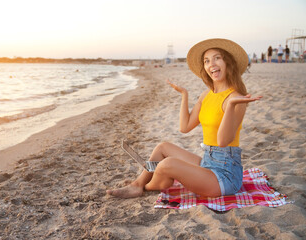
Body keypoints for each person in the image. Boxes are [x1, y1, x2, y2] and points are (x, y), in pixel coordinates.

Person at [106, 38, 262, 198]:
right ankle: (138, 184)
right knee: (162, 148)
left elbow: (222, 141)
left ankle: (150, 185)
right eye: (207, 61)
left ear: (228, 63)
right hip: (208, 162)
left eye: (217, 58)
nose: (211, 64)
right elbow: (185, 127)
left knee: (167, 164)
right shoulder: (206, 95)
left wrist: (230, 106)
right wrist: (184, 95)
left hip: (225, 177)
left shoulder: (236, 98)